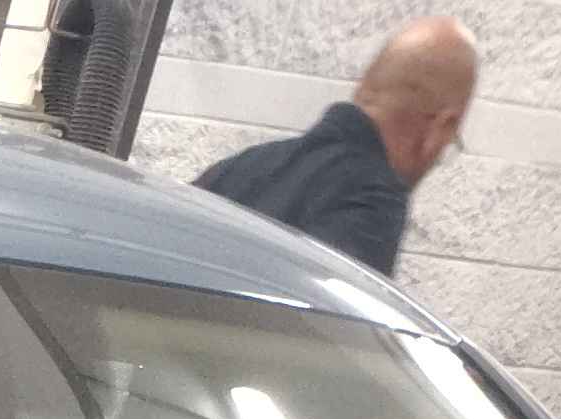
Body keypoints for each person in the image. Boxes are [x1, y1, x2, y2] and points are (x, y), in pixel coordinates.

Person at [194, 18, 479, 277]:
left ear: (363, 90)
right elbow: (327, 318)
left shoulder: (237, 168)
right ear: (442, 128)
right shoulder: (373, 202)